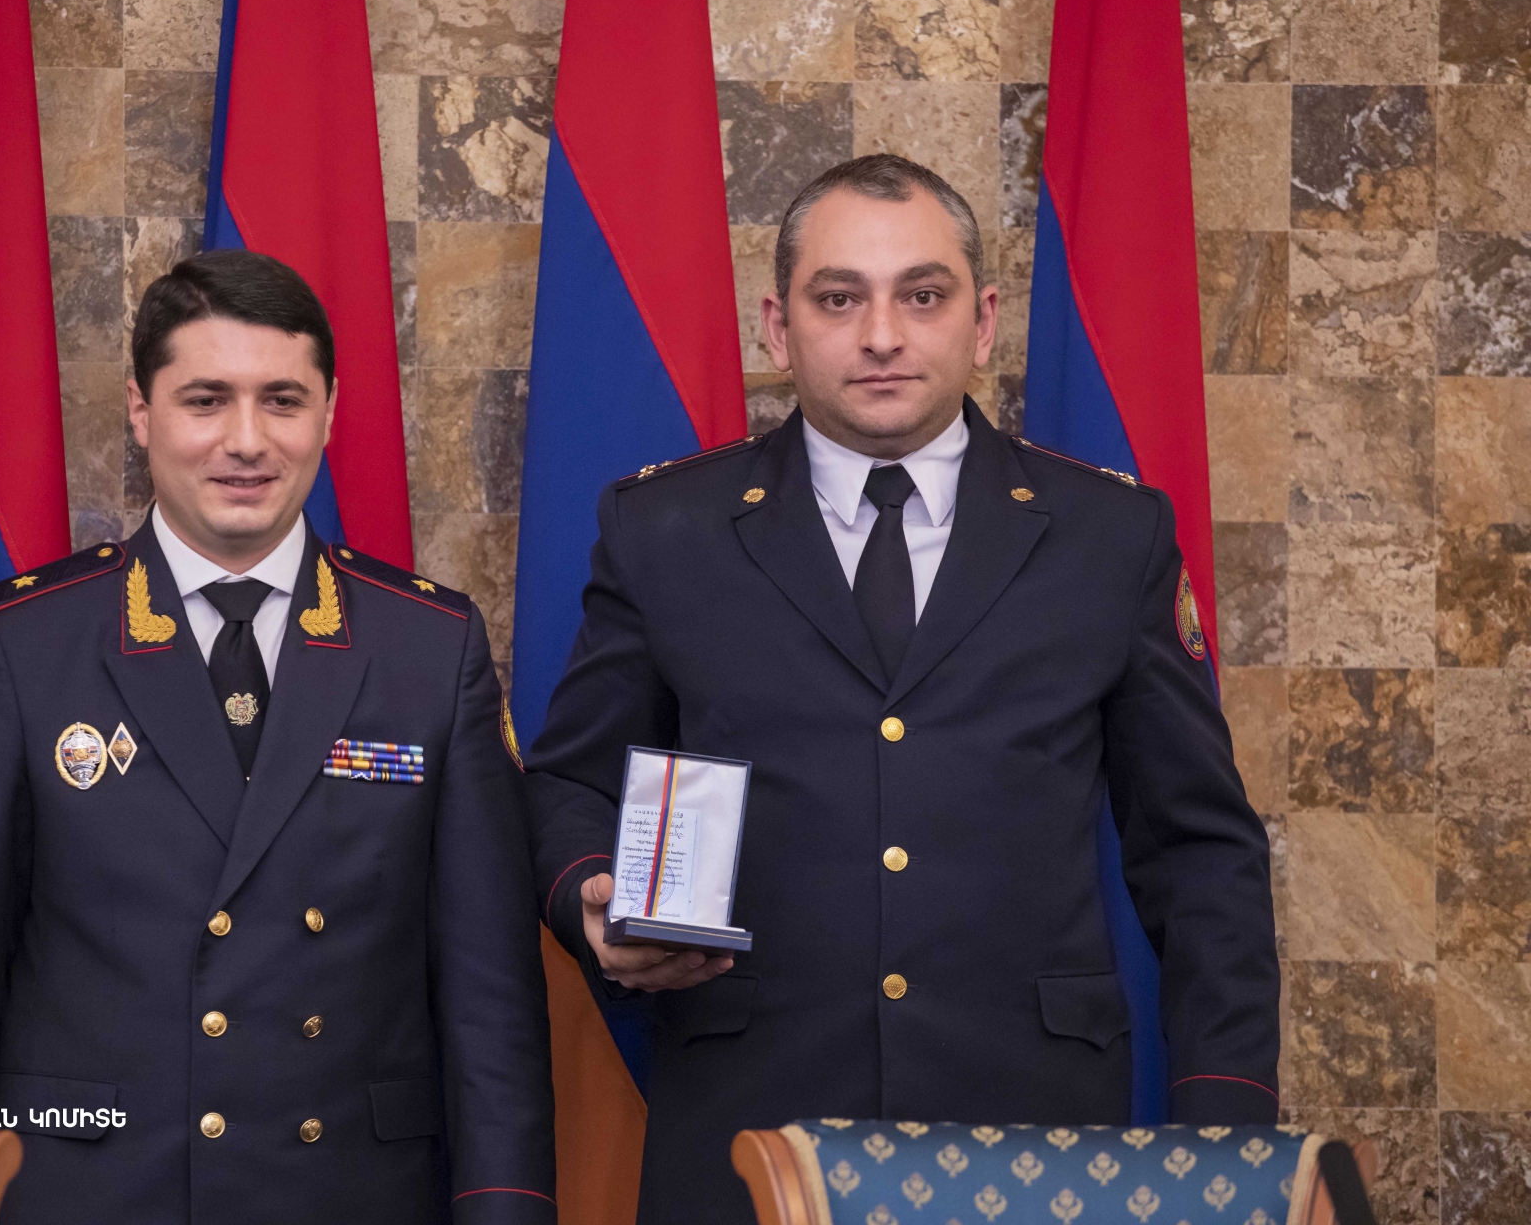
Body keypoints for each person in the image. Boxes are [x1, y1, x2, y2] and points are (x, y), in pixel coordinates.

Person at [524, 155, 1278, 1224]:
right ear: (778, 329)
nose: (882, 335)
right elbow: (568, 781)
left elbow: (1201, 853)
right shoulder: (666, 531)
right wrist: (590, 895)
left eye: (923, 295)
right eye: (840, 299)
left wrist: (1226, 1142)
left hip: (1034, 1141)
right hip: (747, 1133)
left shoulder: (1111, 535)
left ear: (984, 323)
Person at [0, 250, 556, 1223]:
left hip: (346, 1199)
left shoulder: (430, 645)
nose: (247, 441)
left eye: (283, 400)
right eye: (205, 400)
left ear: (329, 412)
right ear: (141, 411)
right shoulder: (21, 644)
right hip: (94, 1198)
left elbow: (493, 1006)